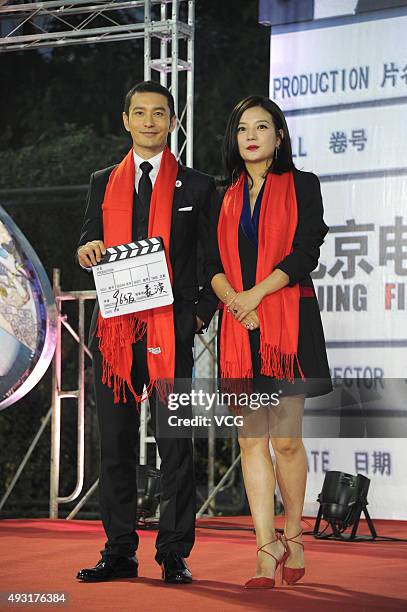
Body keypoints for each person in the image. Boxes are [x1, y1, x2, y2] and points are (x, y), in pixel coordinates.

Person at [76, 80, 218, 584]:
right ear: (126, 120)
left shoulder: (198, 186)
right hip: (115, 336)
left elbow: (212, 262)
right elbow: (89, 236)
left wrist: (196, 318)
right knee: (113, 446)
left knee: (175, 444)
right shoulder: (102, 181)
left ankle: (174, 553)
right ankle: (118, 551)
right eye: (140, 113)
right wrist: (87, 248)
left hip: (170, 335)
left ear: (173, 121)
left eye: (160, 113)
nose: (150, 121)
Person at [207, 95, 332, 589]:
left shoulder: (303, 185)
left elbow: (307, 252)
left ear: (279, 137)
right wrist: (237, 303)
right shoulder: (221, 195)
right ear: (234, 140)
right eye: (243, 129)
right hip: (240, 327)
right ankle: (264, 547)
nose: (252, 136)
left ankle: (295, 534)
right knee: (249, 439)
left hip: (289, 325)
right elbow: (208, 266)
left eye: (263, 127)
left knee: (285, 440)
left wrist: (255, 295)